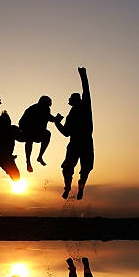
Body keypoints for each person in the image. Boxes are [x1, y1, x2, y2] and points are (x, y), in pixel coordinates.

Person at [54, 67, 93, 200]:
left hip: (83, 142)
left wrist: (83, 74)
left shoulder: (85, 105)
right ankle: (68, 187)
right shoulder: (70, 116)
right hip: (77, 143)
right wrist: (57, 123)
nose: (68, 100)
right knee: (69, 167)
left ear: (75, 100)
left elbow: (86, 90)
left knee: (84, 169)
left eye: (70, 98)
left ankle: (77, 188)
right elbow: (66, 133)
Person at [18, 95, 63, 172]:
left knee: (47, 134)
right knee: (29, 139)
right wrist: (27, 129)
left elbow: (50, 118)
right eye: (48, 104)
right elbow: (21, 122)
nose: (48, 106)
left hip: (39, 133)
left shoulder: (46, 109)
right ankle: (28, 161)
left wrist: (57, 119)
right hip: (27, 132)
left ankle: (40, 157)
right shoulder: (32, 109)